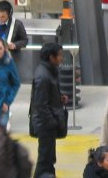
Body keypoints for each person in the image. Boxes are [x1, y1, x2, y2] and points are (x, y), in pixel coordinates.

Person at [29, 42, 68, 178]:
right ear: (51, 57)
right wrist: (52, 122)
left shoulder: (50, 71)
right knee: (45, 159)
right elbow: (40, 105)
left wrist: (59, 97)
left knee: (49, 157)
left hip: (48, 122)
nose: (61, 58)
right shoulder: (43, 76)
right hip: (45, 124)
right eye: (60, 56)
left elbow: (47, 96)